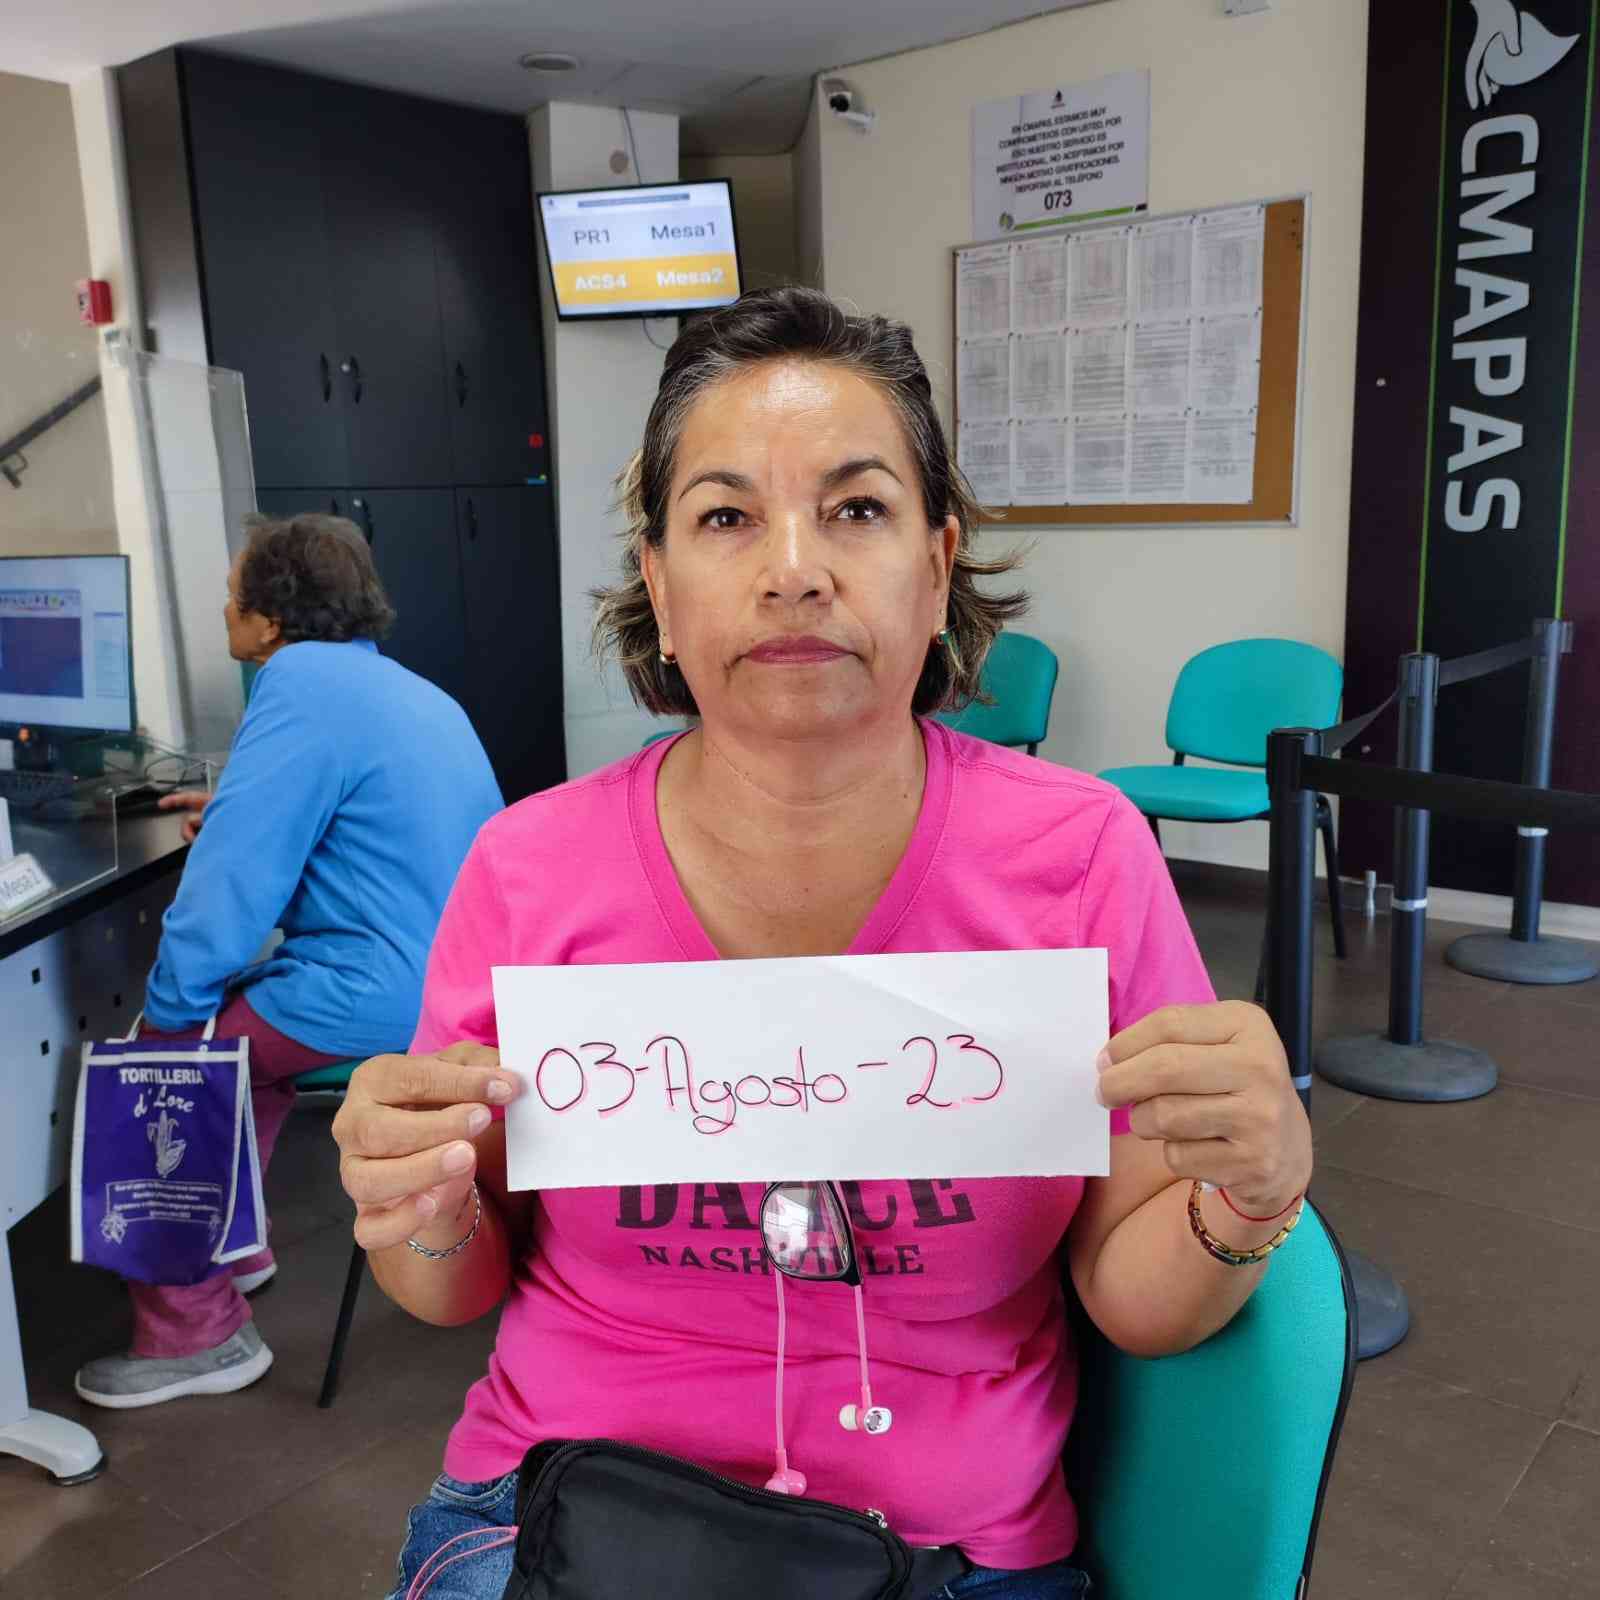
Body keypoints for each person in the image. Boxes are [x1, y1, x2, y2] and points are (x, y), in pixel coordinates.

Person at [335, 288, 1314, 1599]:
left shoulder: (1080, 857)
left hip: (951, 1555)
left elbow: (1134, 1296)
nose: (793, 569)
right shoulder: (528, 868)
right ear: (659, 587)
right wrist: (415, 1200)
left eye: (856, 509)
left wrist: (1253, 1193)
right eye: (725, 517)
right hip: (569, 1516)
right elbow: (451, 1287)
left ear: (937, 566)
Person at [75, 513, 504, 1409]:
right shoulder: (399, 688)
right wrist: (241, 800)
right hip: (460, 982)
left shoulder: (298, 683)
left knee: (177, 1061)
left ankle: (198, 1334)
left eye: (233, 596)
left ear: (267, 620)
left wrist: (169, 1018)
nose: (225, 609)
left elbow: (228, 892)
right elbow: (348, 813)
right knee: (248, 1051)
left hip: (382, 992)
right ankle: (237, 1244)